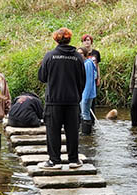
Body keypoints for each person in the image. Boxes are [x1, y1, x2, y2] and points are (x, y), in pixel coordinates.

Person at [38, 27, 85, 170]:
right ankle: (73, 160)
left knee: (53, 131)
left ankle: (54, 161)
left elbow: (42, 77)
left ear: (56, 39)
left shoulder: (50, 56)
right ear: (70, 39)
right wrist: (77, 95)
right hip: (72, 101)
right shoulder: (77, 57)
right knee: (72, 131)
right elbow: (82, 80)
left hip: (54, 101)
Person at [81, 34, 101, 124]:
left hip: (93, 79)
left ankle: (91, 122)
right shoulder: (80, 53)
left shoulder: (95, 53)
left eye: (88, 40)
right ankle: (84, 121)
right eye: (85, 40)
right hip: (83, 80)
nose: (87, 42)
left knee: (91, 101)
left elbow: (97, 66)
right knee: (83, 103)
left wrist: (99, 78)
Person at [77, 47, 97, 135]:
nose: (79, 55)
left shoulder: (88, 64)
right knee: (83, 113)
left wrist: (84, 96)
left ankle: (86, 134)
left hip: (87, 93)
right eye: (78, 53)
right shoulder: (81, 63)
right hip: (83, 93)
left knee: (85, 113)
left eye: (81, 53)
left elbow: (88, 81)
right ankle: (84, 132)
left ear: (85, 54)